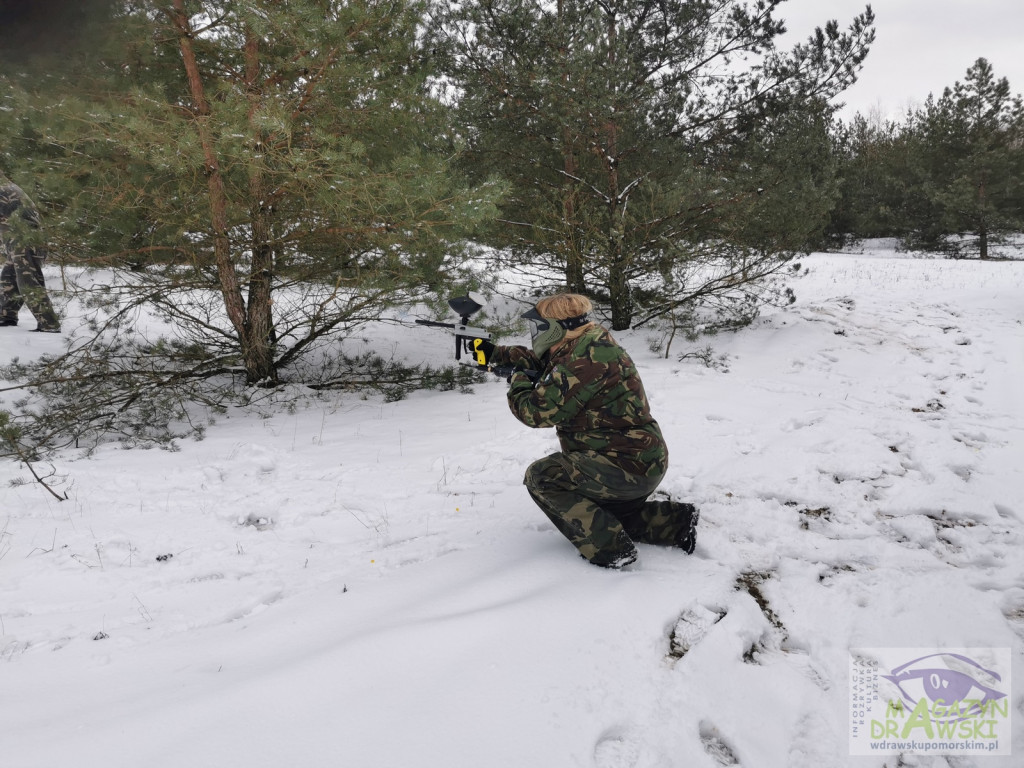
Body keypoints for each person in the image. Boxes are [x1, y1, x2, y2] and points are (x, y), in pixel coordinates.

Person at [476, 293, 698, 569]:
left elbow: (535, 413)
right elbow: (542, 361)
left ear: (556, 329)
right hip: (637, 461)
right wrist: (493, 352)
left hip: (624, 466)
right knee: (606, 516)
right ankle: (675, 523)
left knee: (543, 477)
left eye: (540, 327)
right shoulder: (587, 343)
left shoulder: (585, 359)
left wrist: (517, 379)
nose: (536, 334)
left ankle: (611, 550)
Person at [0, 172, 61, 332]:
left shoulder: (3, 189)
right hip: (19, 241)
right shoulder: (7, 186)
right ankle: (6, 316)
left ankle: (49, 324)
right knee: (9, 278)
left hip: (26, 241)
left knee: (28, 282)